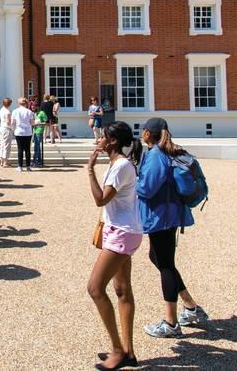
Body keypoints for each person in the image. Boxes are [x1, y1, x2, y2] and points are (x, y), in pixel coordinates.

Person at [137, 117, 209, 338]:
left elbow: (147, 188)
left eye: (143, 130)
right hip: (170, 213)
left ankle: (171, 322)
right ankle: (191, 306)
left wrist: (129, 182)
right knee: (158, 258)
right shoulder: (168, 151)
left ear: (148, 133)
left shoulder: (156, 155)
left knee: (165, 264)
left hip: (162, 216)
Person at [86, 123, 142, 371]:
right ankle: (128, 351)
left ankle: (118, 350)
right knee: (122, 290)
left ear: (113, 141)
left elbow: (101, 199)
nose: (99, 138)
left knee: (95, 287)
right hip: (121, 229)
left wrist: (90, 170)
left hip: (122, 232)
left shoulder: (120, 166)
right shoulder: (118, 164)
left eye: (103, 136)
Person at [11, 97, 34, 172]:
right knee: (27, 149)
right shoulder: (29, 111)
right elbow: (32, 123)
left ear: (19, 103)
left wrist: (13, 128)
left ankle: (20, 166)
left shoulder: (15, 111)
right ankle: (28, 166)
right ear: (26, 103)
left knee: (20, 149)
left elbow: (12, 122)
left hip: (19, 131)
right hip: (28, 132)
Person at [0, 98, 14, 168]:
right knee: (7, 145)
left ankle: (2, 161)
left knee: (2, 144)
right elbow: (8, 122)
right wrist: (13, 122)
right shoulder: (7, 111)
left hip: (2, 128)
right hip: (7, 129)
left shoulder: (2, 109)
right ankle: (5, 162)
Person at [32, 103, 48, 168]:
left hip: (39, 131)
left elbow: (46, 122)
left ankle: (35, 161)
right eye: (32, 108)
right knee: (37, 146)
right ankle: (39, 161)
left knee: (37, 146)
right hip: (34, 131)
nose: (33, 109)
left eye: (34, 108)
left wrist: (38, 124)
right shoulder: (35, 113)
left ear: (37, 107)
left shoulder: (42, 113)